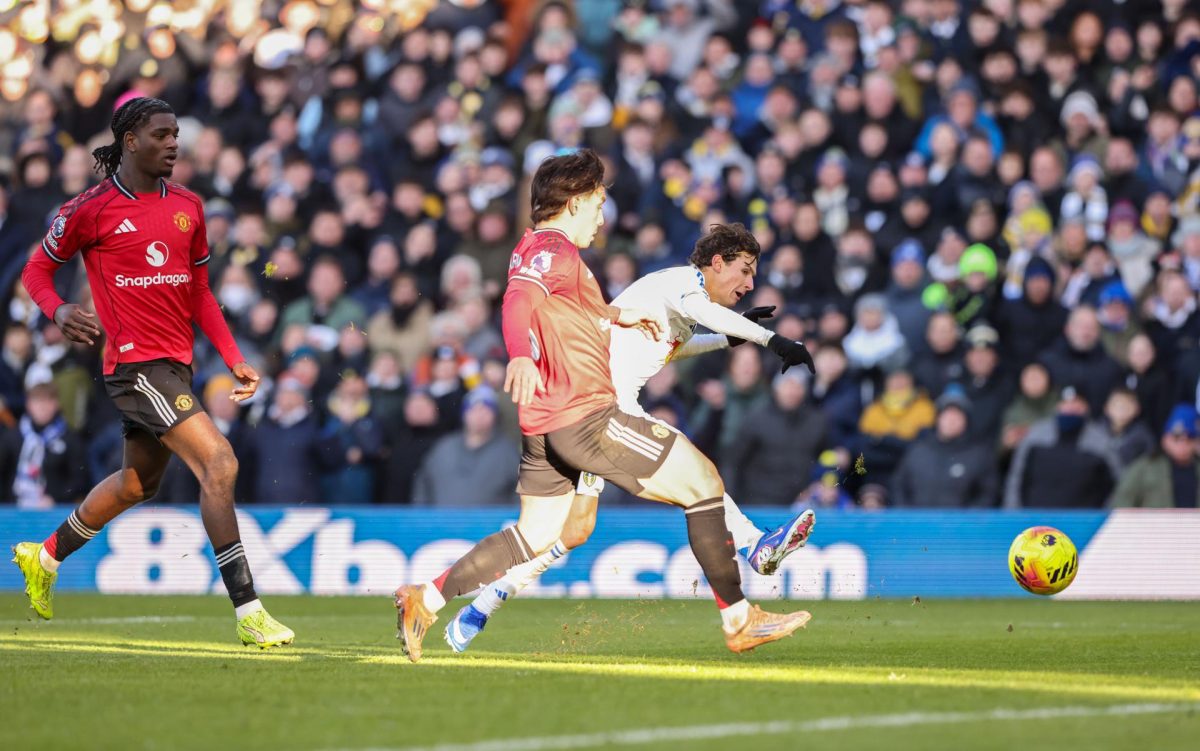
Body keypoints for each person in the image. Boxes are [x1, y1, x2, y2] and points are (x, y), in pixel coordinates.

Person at [394, 150, 814, 662]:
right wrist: (521, 355)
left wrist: (621, 316)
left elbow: (580, 310)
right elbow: (517, 301)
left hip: (547, 423)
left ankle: (427, 598)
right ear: (572, 202)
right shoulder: (555, 251)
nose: (602, 215)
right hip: (587, 413)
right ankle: (742, 607)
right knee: (702, 483)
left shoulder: (548, 253)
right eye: (596, 203)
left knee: (538, 535)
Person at [11, 98, 292, 648]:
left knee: (138, 484)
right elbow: (36, 269)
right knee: (220, 461)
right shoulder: (89, 209)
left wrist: (233, 355)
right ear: (131, 140)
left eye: (177, 134)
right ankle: (249, 610)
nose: (173, 143)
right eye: (161, 134)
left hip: (177, 365)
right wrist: (59, 309)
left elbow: (200, 293)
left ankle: (44, 555)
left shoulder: (189, 205)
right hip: (134, 364)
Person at [412, 386, 520, 507]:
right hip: (442, 524)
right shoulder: (443, 447)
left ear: (495, 416)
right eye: (474, 409)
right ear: (464, 414)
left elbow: (520, 493)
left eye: (486, 410)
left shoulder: (508, 452)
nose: (479, 415)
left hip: (492, 524)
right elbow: (423, 484)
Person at [890, 387, 998, 507]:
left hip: (961, 525)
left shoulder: (980, 455)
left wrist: (967, 522)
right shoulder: (917, 450)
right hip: (918, 524)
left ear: (966, 421)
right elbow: (899, 486)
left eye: (957, 415)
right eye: (946, 414)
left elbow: (988, 494)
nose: (951, 420)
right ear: (938, 419)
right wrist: (909, 518)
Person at [1110, 404, 1200, 508]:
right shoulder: (1144, 467)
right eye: (1176, 437)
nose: (1182, 444)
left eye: (1190, 438)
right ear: (1165, 439)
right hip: (1153, 523)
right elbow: (1121, 502)